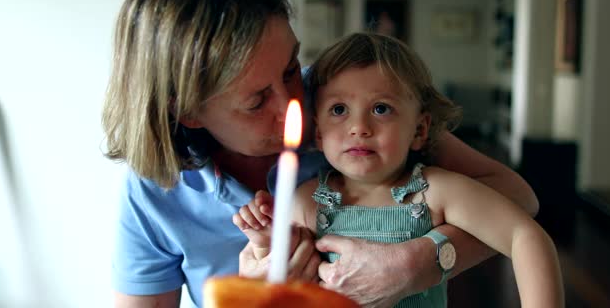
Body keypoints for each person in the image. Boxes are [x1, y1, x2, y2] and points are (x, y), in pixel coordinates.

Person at [102, 0, 539, 307]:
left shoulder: (344, 106)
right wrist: (246, 299)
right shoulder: (155, 192)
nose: (295, 102)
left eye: (291, 68)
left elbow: (516, 196)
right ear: (189, 113)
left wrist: (423, 261)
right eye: (256, 100)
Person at [234, 32, 564, 307]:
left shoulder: (436, 192)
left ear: (419, 130)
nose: (359, 127)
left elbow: (526, 236)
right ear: (318, 133)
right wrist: (265, 242)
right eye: (339, 109)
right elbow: (282, 278)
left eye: (381, 108)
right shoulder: (307, 202)